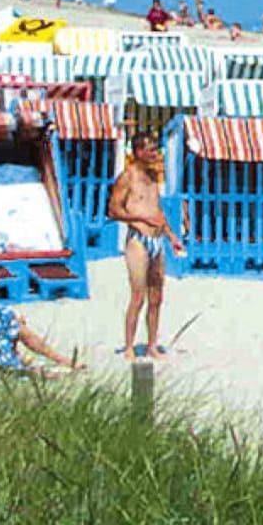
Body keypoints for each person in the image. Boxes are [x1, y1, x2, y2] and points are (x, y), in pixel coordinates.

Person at [105, 131, 187, 360]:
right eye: (150, 149)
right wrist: (140, 219)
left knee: (157, 296)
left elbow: (157, 211)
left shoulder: (152, 177)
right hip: (138, 240)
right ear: (138, 151)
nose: (155, 153)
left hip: (157, 239)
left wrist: (171, 236)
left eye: (155, 149)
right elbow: (113, 210)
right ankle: (129, 346)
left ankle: (152, 345)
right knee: (138, 296)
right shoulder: (127, 177)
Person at [0, 268, 82, 373]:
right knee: (17, 328)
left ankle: (23, 358)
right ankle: (61, 359)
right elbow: (9, 319)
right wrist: (18, 321)